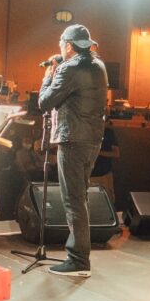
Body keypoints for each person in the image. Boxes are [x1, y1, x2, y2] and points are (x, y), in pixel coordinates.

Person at [38, 24, 108, 277]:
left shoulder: (69, 68)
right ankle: (79, 256)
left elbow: (44, 102)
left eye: (61, 45)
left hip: (72, 140)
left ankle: (78, 260)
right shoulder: (98, 65)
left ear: (68, 46)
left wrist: (49, 74)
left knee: (73, 199)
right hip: (92, 140)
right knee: (80, 197)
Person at [89, 117, 119, 203]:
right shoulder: (87, 131)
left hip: (104, 175)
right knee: (91, 202)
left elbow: (116, 153)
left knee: (107, 202)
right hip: (89, 175)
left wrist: (97, 152)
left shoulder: (108, 133)